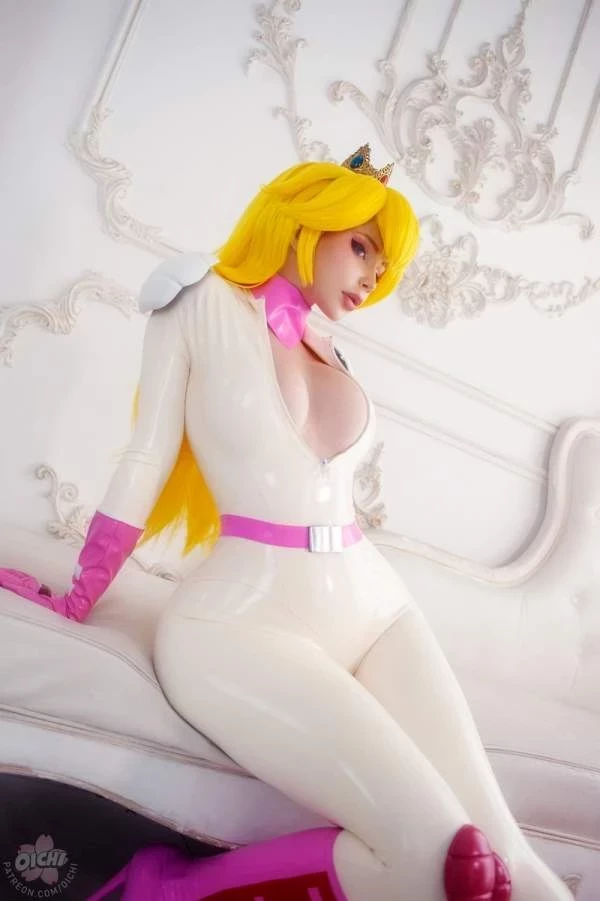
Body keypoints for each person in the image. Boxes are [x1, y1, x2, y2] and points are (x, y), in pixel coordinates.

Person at [0, 146, 572, 901]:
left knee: (515, 863)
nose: (372, 276)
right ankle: (166, 887)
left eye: (383, 263)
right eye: (361, 246)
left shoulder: (329, 342)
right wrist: (84, 588)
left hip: (377, 608)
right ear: (306, 221)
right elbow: (146, 455)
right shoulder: (199, 298)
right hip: (240, 622)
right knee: (445, 861)